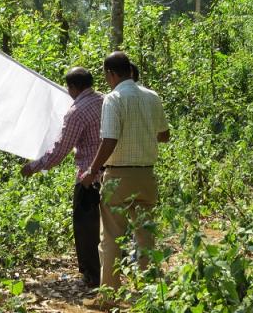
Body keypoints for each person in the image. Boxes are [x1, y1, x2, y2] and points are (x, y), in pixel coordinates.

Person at [81, 52, 170, 308]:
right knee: (145, 236)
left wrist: (92, 170)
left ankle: (108, 297)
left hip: (118, 176)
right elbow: (164, 135)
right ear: (130, 71)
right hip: (146, 175)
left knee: (111, 237)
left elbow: (109, 139)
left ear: (111, 73)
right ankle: (149, 294)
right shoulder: (152, 97)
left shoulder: (114, 98)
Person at [21, 67, 103, 287]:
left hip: (89, 177)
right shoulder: (104, 100)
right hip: (112, 173)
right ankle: (111, 272)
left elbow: (60, 150)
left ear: (74, 87)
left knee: (86, 227)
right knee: (108, 227)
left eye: (69, 88)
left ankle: (93, 276)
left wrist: (34, 166)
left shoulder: (76, 111)